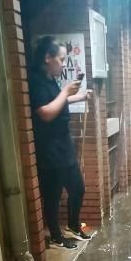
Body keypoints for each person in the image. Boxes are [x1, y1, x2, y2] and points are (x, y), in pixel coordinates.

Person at [29, 36, 92, 249]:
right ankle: (56, 235)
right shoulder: (35, 81)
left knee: (78, 188)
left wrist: (79, 96)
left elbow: (58, 101)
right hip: (50, 150)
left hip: (64, 148)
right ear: (48, 57)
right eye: (62, 59)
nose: (64, 64)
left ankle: (73, 225)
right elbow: (45, 112)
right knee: (53, 196)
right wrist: (66, 91)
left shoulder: (50, 81)